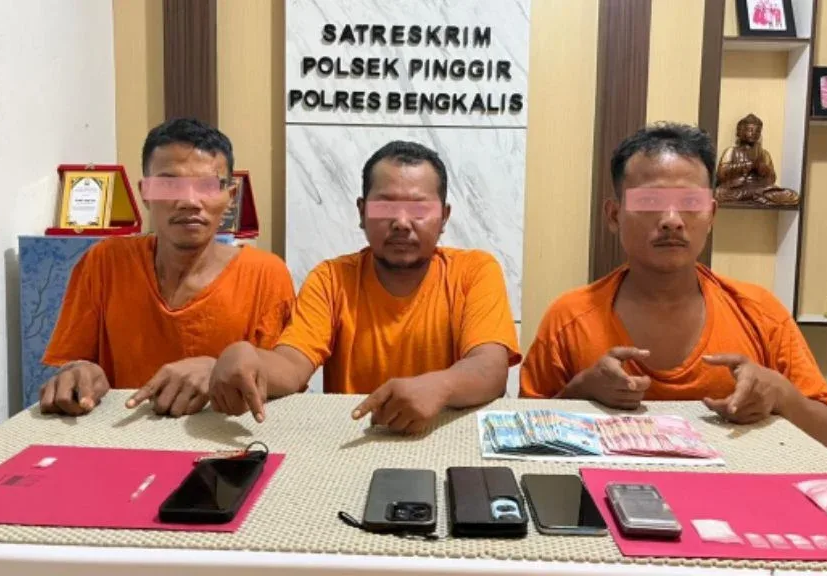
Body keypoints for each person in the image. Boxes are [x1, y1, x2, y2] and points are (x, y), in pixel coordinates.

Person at [520, 122, 827, 450]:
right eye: (650, 201)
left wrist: (779, 393)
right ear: (614, 215)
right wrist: (581, 391)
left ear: (711, 214)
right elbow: (522, 438)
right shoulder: (569, 317)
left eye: (690, 202)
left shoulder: (759, 313)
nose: (672, 220)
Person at [208, 140, 520, 434]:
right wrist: (247, 359)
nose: (401, 222)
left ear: (444, 217)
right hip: (354, 439)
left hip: (448, 436)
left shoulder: (474, 271)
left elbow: (490, 367)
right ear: (361, 212)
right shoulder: (331, 279)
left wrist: (440, 387)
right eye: (385, 207)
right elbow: (292, 365)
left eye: (419, 209)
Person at [38, 118, 295, 418]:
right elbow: (72, 362)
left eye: (207, 186)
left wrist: (217, 369)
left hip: (221, 434)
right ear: (145, 193)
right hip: (121, 431)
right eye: (169, 185)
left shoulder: (264, 274)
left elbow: (284, 378)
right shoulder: (105, 262)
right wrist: (78, 373)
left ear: (231, 197)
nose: (189, 201)